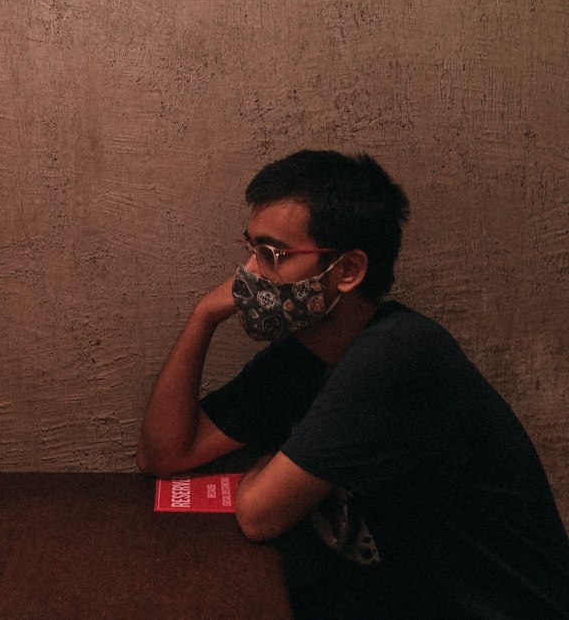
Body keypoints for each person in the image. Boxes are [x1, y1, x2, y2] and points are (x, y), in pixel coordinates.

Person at [136, 150, 569, 620]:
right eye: (250, 249)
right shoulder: (306, 351)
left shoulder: (400, 355)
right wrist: (203, 317)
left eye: (272, 255)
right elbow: (164, 455)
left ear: (347, 271)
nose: (248, 273)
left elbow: (259, 515)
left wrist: (267, 469)